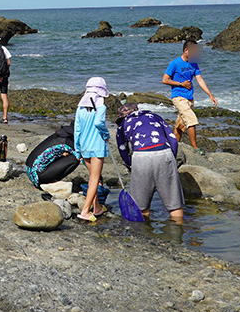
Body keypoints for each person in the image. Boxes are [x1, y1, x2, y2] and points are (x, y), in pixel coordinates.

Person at [115, 102, 183, 222]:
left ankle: (145, 233)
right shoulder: (155, 117)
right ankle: (177, 235)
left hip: (141, 157)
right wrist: (171, 158)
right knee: (174, 205)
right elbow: (172, 139)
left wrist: (130, 165)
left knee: (141, 206)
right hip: (164, 152)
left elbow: (123, 149)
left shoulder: (123, 125)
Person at [163, 40, 217, 154]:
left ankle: (173, 148)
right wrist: (181, 84)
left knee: (180, 125)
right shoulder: (175, 63)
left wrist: (210, 95)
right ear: (186, 50)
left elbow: (200, 79)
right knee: (191, 120)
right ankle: (195, 147)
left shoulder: (194, 63)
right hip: (178, 97)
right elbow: (165, 80)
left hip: (189, 98)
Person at [74, 77, 110, 222]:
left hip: (84, 146)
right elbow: (99, 122)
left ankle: (97, 207)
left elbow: (77, 130)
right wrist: (106, 134)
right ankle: (85, 211)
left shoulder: (80, 108)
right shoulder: (101, 107)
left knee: (92, 179)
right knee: (95, 179)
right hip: (97, 146)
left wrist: (77, 149)